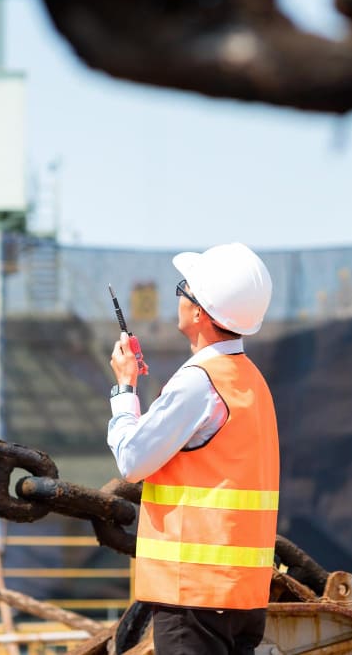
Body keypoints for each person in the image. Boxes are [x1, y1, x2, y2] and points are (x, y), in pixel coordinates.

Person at [107, 242, 280, 655]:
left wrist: (124, 388)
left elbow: (132, 459)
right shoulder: (250, 381)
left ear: (200, 311)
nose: (179, 295)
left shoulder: (199, 381)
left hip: (194, 598)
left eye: (184, 287)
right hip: (241, 597)